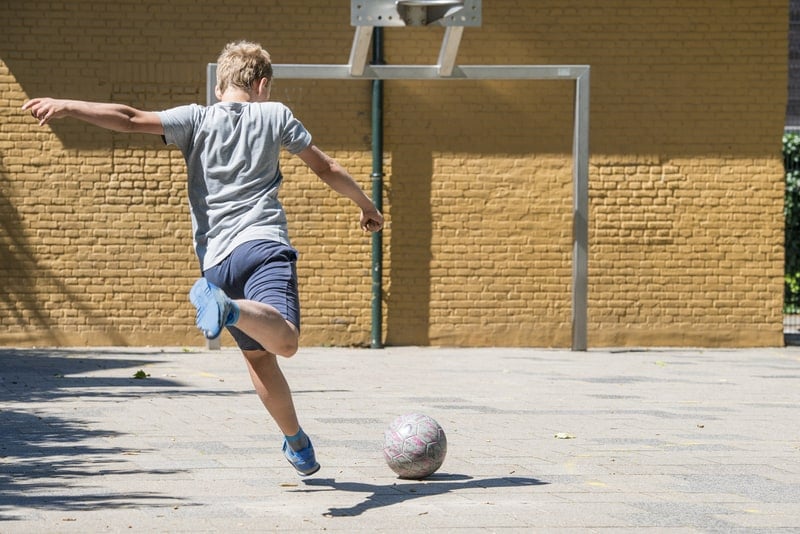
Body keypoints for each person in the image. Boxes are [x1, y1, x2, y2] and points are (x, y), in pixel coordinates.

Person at [22, 40, 384, 477]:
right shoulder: (275, 115)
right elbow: (325, 167)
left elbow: (129, 118)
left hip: (216, 262)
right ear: (262, 84)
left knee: (259, 359)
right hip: (263, 245)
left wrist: (67, 105)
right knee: (284, 341)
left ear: (219, 86)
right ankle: (229, 309)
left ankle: (297, 444)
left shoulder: (194, 119)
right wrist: (367, 205)